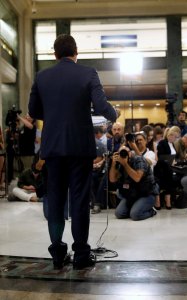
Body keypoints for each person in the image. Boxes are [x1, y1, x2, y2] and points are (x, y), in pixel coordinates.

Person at [28, 34, 117, 270]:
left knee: (55, 199)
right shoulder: (88, 73)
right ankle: (80, 254)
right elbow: (100, 106)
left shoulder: (42, 76)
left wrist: (56, 115)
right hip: (79, 147)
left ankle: (57, 252)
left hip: (53, 148)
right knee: (79, 200)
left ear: (55, 54)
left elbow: (33, 109)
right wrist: (114, 114)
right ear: (75, 53)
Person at [109, 146, 157, 221]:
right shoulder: (119, 162)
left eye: (126, 152)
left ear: (130, 153)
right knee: (119, 214)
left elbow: (137, 178)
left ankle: (151, 211)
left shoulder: (139, 160)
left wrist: (125, 164)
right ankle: (136, 207)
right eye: (121, 153)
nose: (123, 155)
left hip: (146, 194)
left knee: (135, 215)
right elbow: (112, 179)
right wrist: (113, 164)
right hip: (131, 194)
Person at [155, 126, 181, 209]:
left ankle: (168, 201)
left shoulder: (172, 144)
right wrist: (170, 161)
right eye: (175, 136)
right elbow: (160, 156)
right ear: (170, 135)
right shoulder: (162, 143)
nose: (175, 139)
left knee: (169, 183)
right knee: (161, 183)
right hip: (161, 168)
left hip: (169, 168)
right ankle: (158, 202)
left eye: (177, 137)